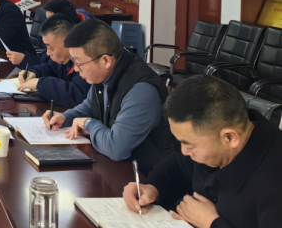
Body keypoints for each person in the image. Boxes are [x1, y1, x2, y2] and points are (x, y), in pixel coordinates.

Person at [122, 76, 282, 228]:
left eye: (190, 146)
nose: (184, 151)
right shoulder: (215, 139)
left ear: (229, 137)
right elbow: (179, 164)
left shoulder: (273, 185)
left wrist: (212, 223)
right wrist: (152, 187)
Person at [41, 19, 174, 173]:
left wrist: (88, 124)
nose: (75, 69)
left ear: (105, 60)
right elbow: (88, 107)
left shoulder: (141, 90)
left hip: (147, 177)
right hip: (115, 168)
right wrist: (65, 117)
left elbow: (116, 148)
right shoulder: (104, 74)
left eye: (79, 63)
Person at [15, 15, 89, 108]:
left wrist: (40, 83)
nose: (48, 53)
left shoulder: (85, 60)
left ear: (67, 42)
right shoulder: (62, 59)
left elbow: (77, 95)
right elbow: (49, 67)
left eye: (51, 48)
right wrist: (33, 72)